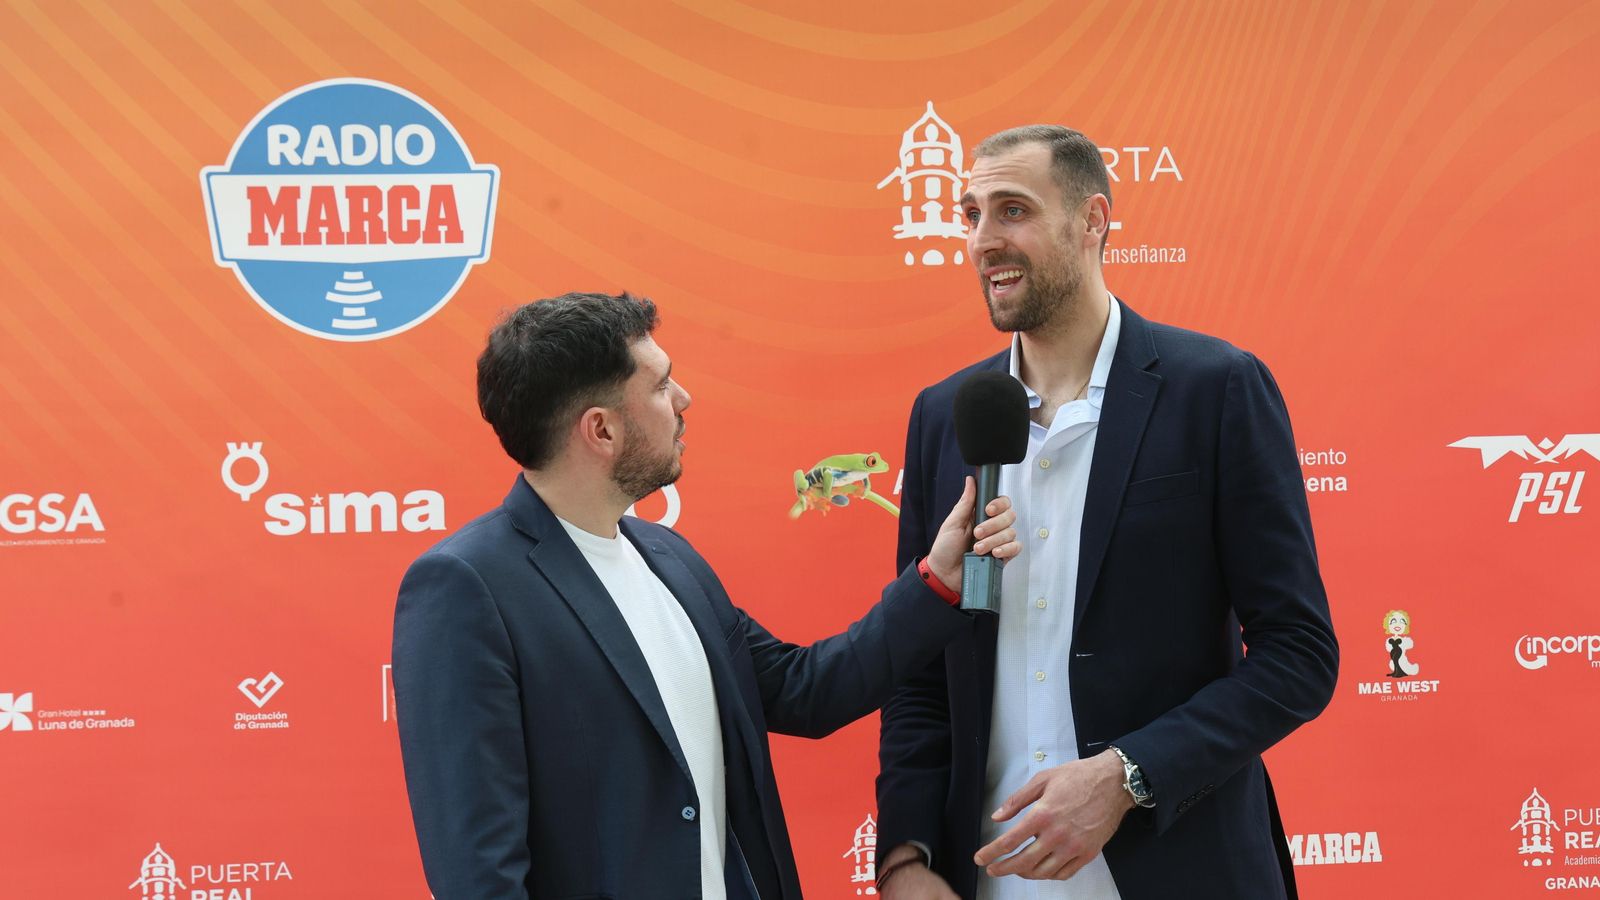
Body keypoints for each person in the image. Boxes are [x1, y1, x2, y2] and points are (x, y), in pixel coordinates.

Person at [392, 291, 1020, 900]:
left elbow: (804, 690)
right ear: (601, 429)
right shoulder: (466, 587)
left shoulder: (668, 557)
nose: (684, 399)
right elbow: (479, 875)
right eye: (661, 386)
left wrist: (936, 581)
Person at [874, 126, 1340, 900]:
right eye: (971, 214)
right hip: (988, 880)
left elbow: (1299, 654)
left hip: (1185, 872)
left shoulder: (1216, 389)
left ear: (1092, 221)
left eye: (1013, 210)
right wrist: (906, 856)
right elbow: (918, 667)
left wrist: (1129, 776)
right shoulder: (944, 417)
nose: (983, 240)